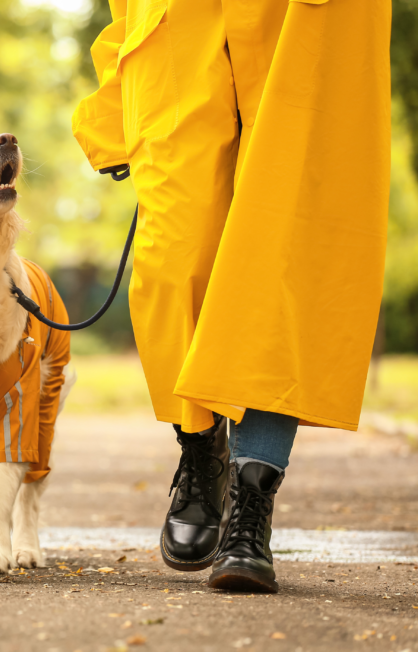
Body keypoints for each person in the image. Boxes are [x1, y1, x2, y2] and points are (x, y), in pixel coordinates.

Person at [72, 0, 391, 593]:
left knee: (280, 265)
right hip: (175, 31)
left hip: (304, 22)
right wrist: (114, 104)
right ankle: (200, 448)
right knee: (172, 260)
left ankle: (252, 502)